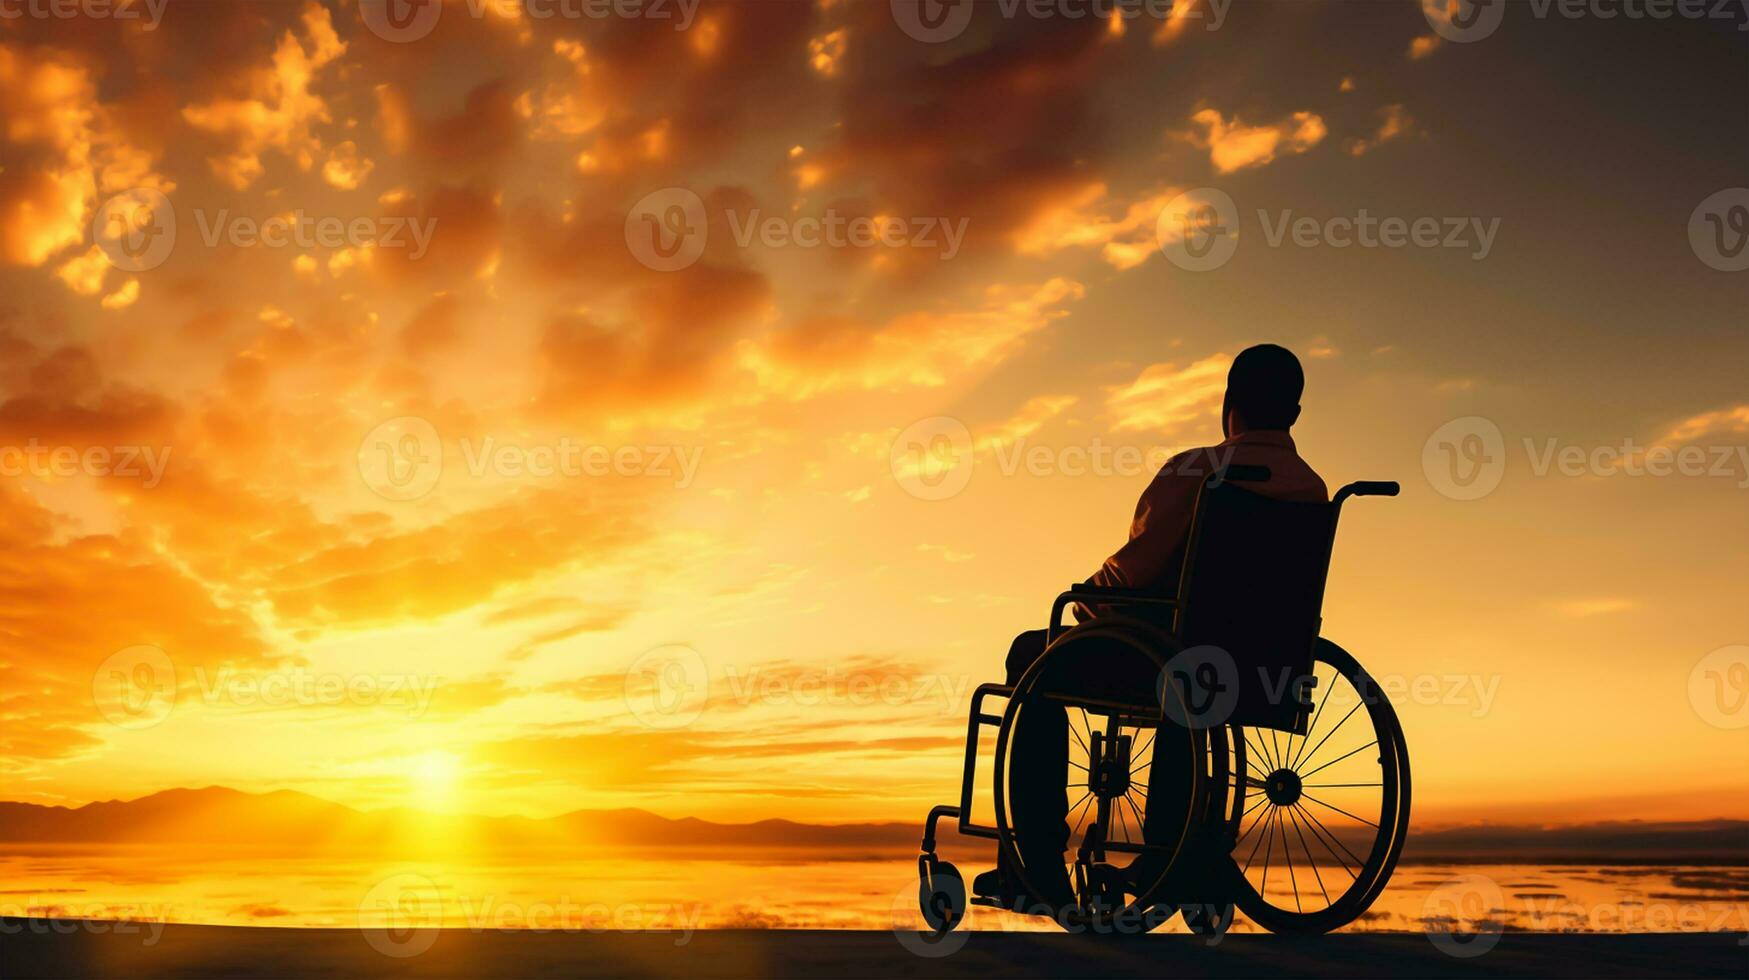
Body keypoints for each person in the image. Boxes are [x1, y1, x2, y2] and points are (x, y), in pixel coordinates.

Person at [974, 343, 1329, 911]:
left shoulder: (1200, 473)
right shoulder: (1312, 493)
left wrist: (1082, 609)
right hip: (1260, 671)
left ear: (1228, 403)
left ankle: (1035, 863)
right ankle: (1183, 850)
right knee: (1186, 668)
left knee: (1030, 656)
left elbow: (1132, 571)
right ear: (1294, 413)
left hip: (1162, 663)